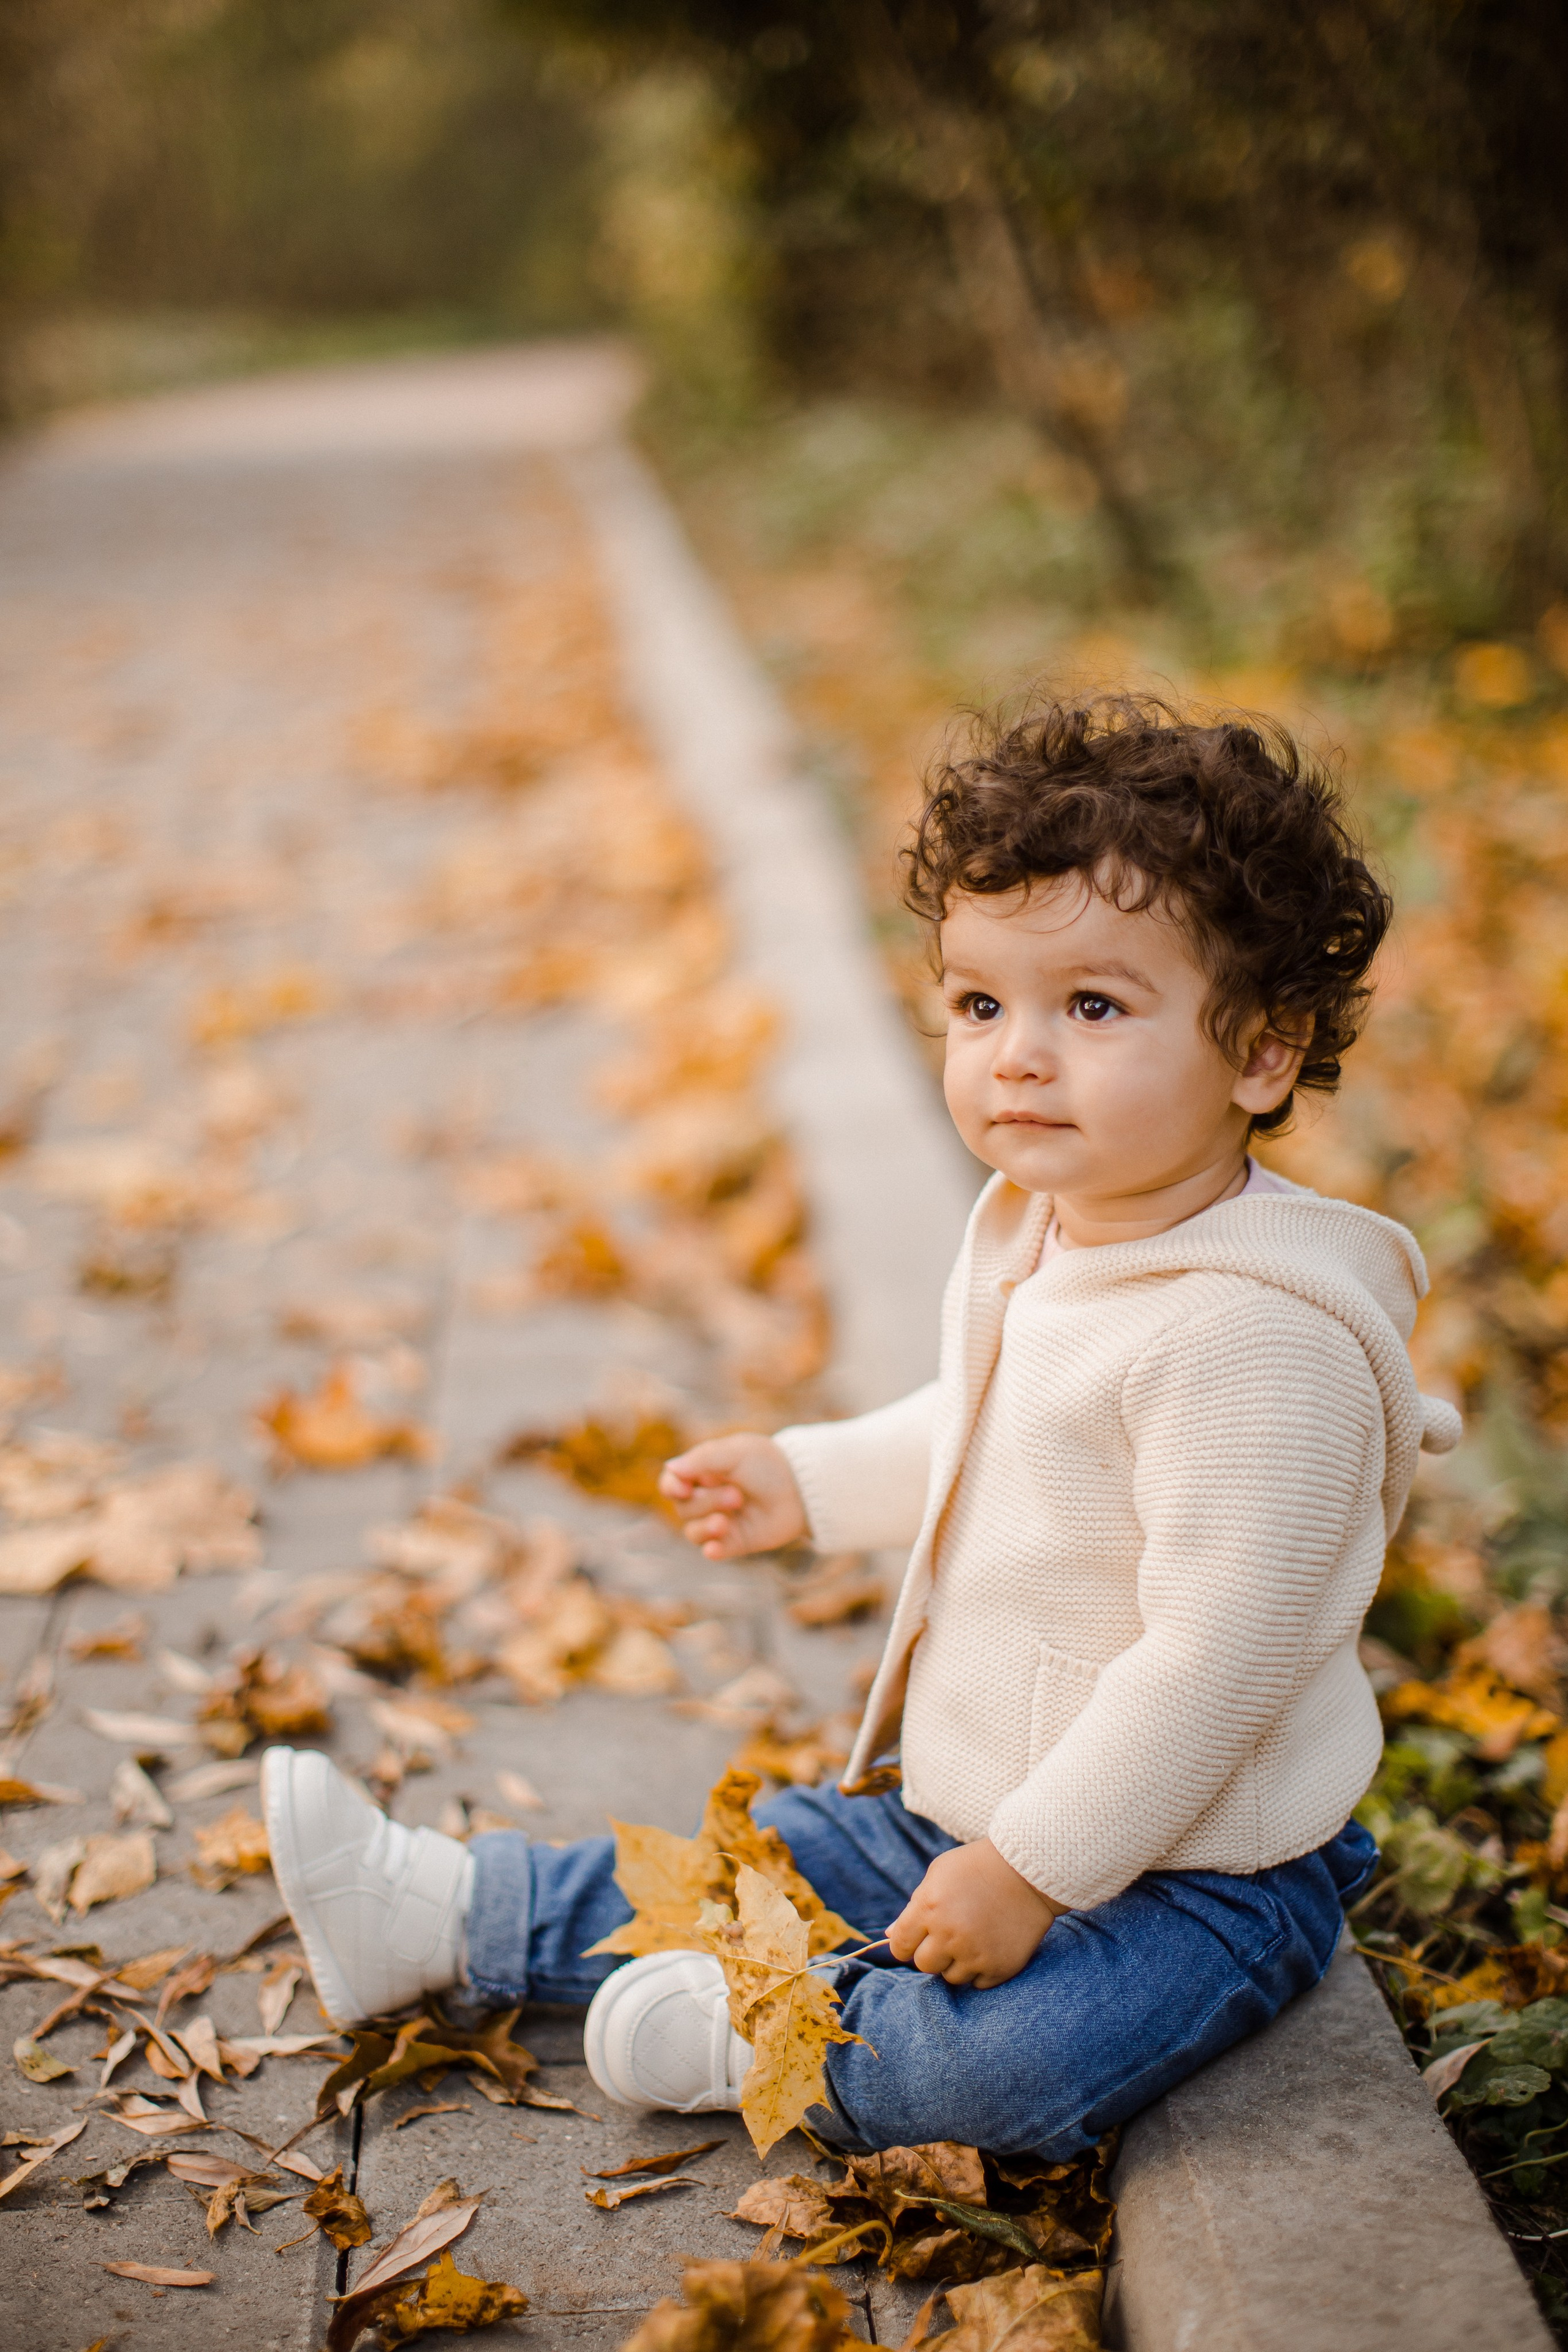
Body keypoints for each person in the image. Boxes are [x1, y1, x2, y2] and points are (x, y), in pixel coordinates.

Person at [263, 692, 1461, 2158]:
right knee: (776, 1852)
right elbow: (982, 1429)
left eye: (1090, 1006)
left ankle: (797, 2034)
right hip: (970, 1809)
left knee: (1011, 2071)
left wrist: (1028, 1871)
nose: (1016, 1054)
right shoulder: (1059, 1224)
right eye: (978, 1004)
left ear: (1260, 1054)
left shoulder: (1255, 1344)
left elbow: (1212, 1668)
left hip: (1200, 1875)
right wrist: (808, 1481)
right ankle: (445, 1912)